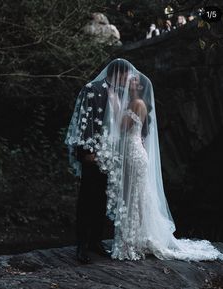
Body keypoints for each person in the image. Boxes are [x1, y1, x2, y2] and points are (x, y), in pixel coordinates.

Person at [94, 60, 223, 261]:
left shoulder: (137, 104)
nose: (129, 82)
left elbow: (122, 127)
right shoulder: (131, 103)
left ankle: (133, 241)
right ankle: (134, 238)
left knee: (134, 197)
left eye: (133, 81)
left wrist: (114, 105)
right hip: (132, 154)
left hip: (134, 155)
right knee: (134, 196)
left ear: (138, 87)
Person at [65, 58, 133, 263]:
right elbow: (83, 120)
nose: (127, 81)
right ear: (118, 73)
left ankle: (96, 240)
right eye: (125, 76)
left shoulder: (119, 93)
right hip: (92, 154)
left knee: (103, 197)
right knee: (87, 198)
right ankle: (82, 246)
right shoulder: (92, 88)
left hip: (111, 155)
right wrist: (87, 151)